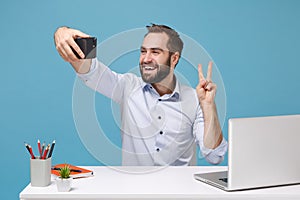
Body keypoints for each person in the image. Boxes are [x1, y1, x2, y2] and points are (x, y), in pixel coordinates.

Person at [54, 24, 228, 166]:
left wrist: (208, 106)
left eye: (155, 52)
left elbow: (214, 155)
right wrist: (62, 33)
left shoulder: (194, 99)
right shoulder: (127, 87)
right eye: (143, 51)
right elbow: (90, 73)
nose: (146, 58)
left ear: (174, 59)